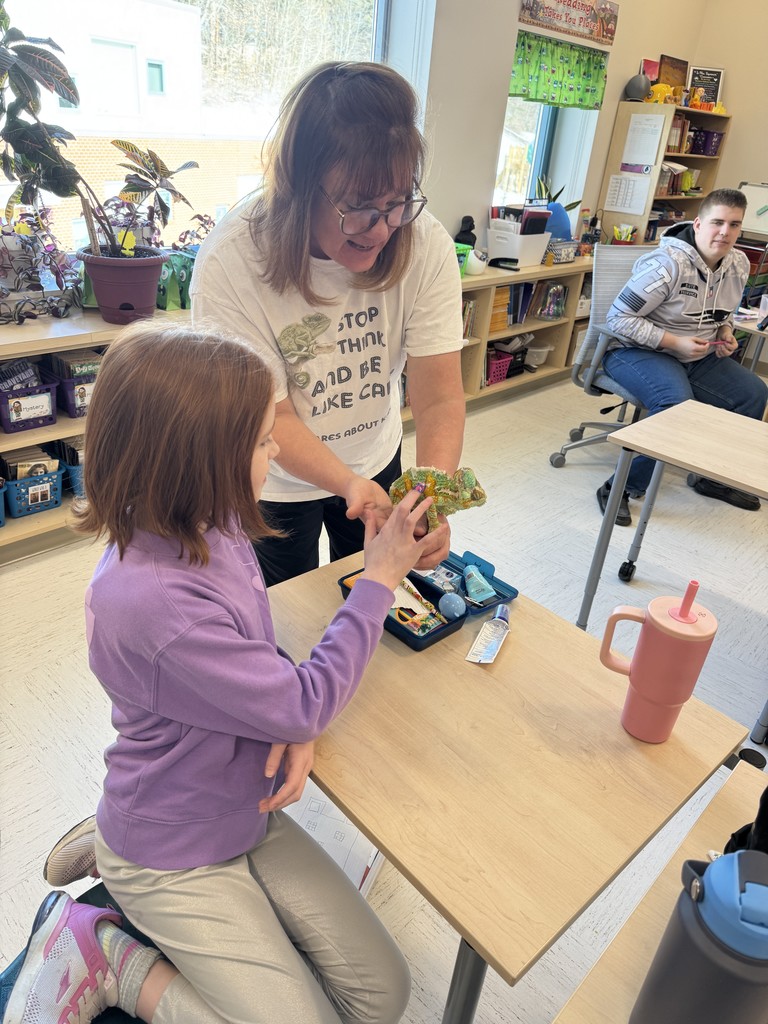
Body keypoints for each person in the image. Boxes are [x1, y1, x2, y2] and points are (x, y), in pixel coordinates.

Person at [2, 322, 433, 1024]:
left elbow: (257, 662)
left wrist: (289, 720)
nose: (277, 451)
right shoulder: (148, 602)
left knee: (381, 995)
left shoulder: (215, 522)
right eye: (265, 442)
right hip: (171, 849)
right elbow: (297, 700)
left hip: (238, 809)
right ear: (200, 461)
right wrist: (379, 579)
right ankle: (108, 950)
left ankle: (111, 833)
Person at [190, 61, 466, 587]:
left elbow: (439, 397)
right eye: (360, 207)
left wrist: (431, 498)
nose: (382, 229)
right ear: (300, 185)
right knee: (289, 611)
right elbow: (272, 415)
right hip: (269, 475)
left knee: (378, 596)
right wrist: (345, 482)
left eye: (396, 203)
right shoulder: (232, 259)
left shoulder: (425, 241)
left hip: (375, 454)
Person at [596, 188, 767, 526]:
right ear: (699, 223)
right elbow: (618, 319)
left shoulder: (738, 264)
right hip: (635, 351)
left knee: (754, 393)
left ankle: (711, 477)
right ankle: (620, 488)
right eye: (717, 222)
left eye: (734, 225)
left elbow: (723, 313)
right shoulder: (668, 264)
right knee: (675, 404)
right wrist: (674, 342)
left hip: (695, 355)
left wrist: (726, 333)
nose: (725, 232)